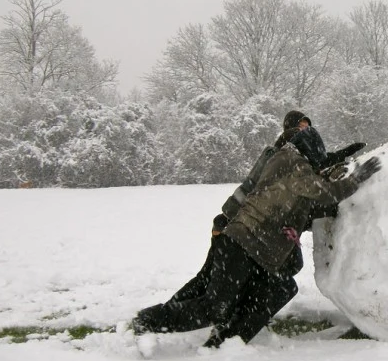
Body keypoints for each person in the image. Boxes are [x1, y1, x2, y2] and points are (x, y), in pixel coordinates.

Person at [131, 113, 371, 346]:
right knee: (215, 301)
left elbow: (310, 201)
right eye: (301, 127)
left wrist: (341, 195)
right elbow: (318, 188)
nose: (304, 130)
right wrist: (354, 180)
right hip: (241, 236)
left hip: (256, 245)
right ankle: (150, 321)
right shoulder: (289, 161)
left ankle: (224, 341)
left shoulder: (293, 166)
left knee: (254, 292)